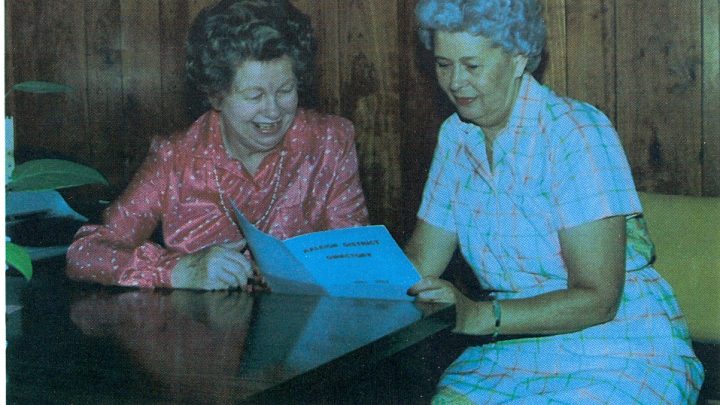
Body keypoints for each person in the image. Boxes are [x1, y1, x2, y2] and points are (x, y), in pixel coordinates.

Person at [405, 0, 704, 402]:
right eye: (443, 65)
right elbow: (420, 266)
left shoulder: (574, 132)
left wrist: (479, 315)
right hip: (511, 350)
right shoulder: (457, 138)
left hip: (619, 348)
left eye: (472, 66)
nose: (455, 81)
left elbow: (598, 299)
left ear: (518, 58)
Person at [66, 0, 368, 290]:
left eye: (285, 90)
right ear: (216, 95)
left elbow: (357, 258)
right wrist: (177, 269)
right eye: (254, 96)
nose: (273, 111)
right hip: (204, 336)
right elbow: (85, 253)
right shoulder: (176, 159)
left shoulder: (329, 141)